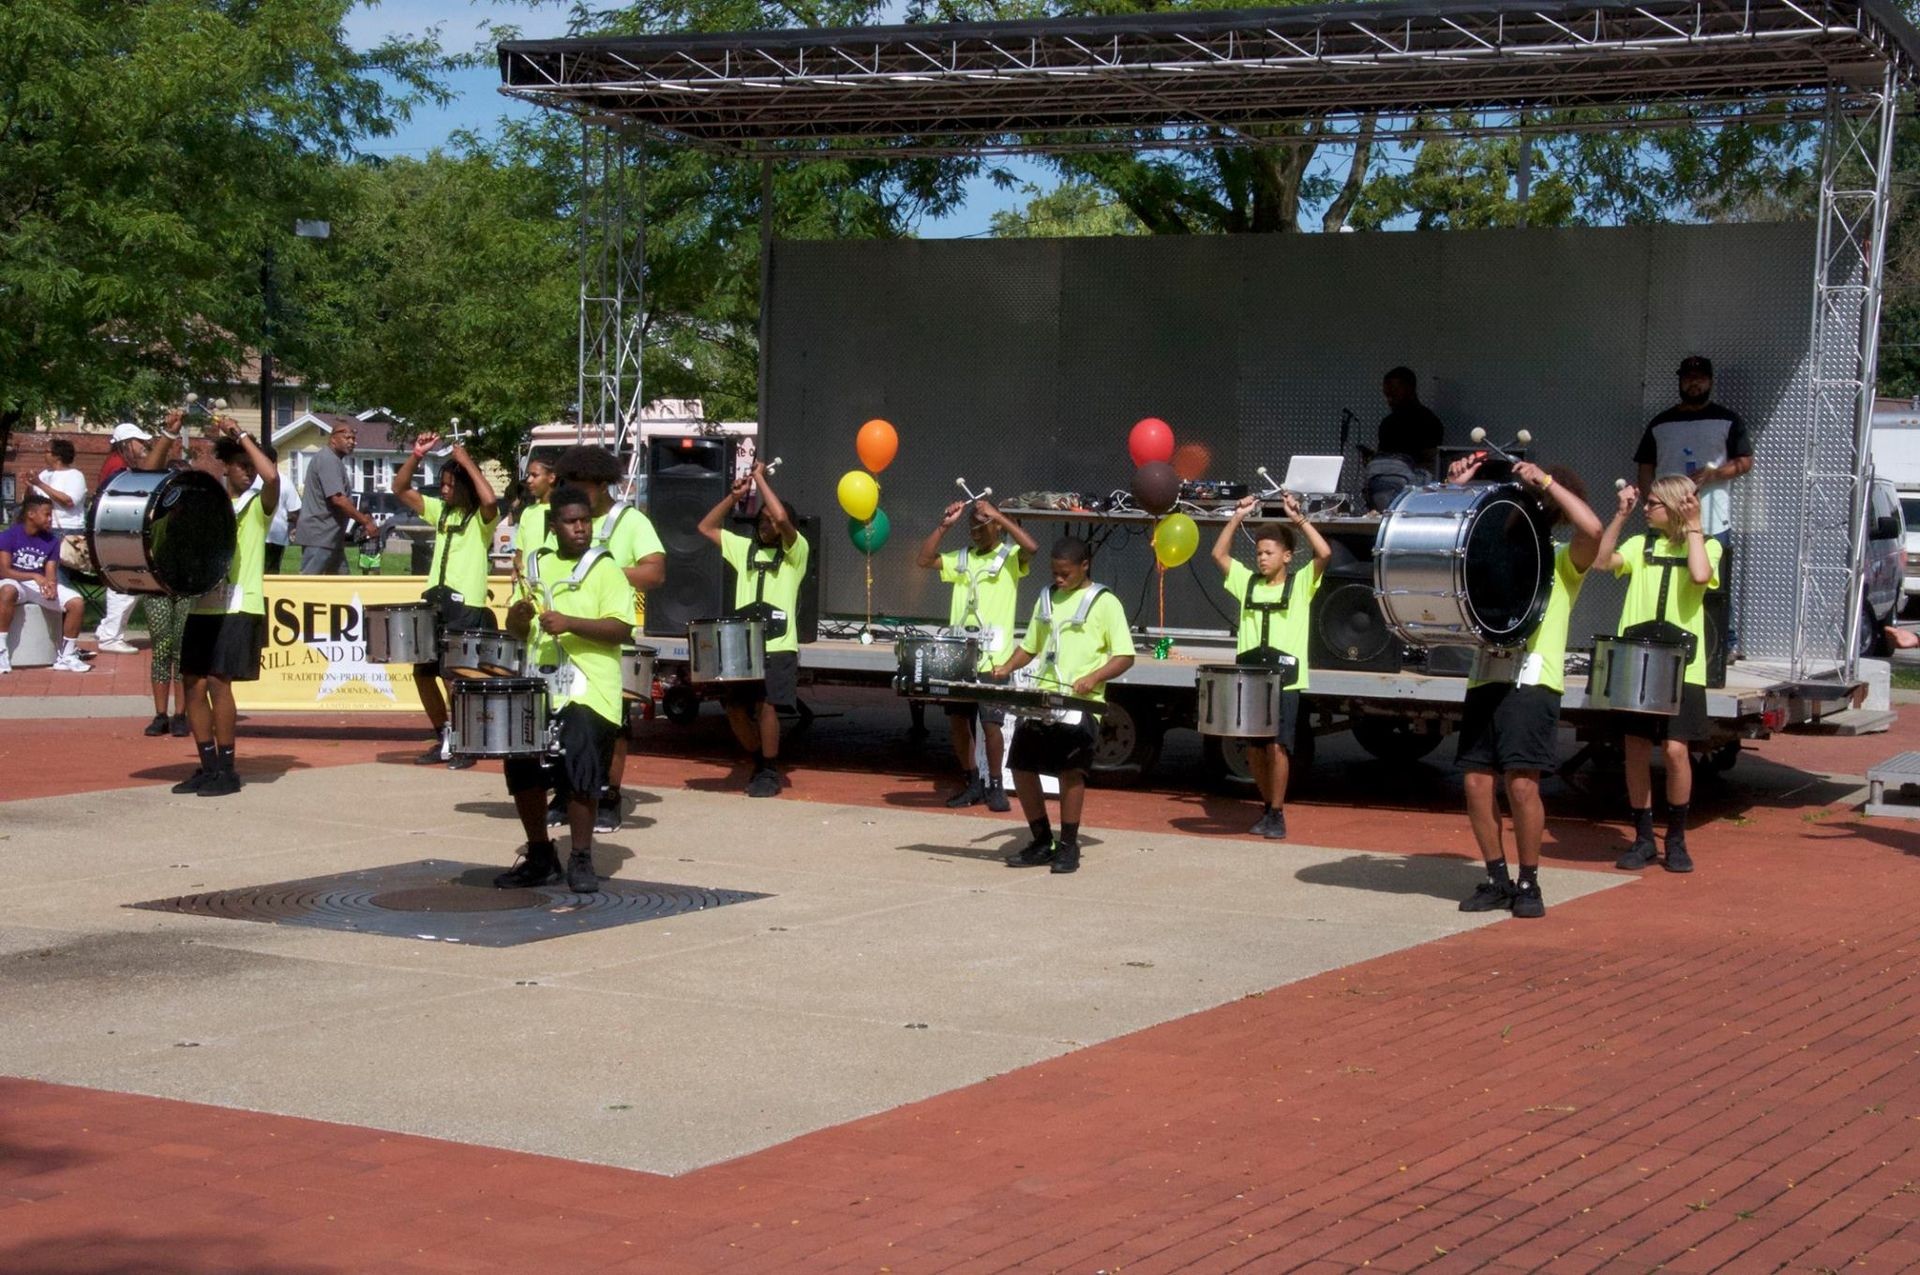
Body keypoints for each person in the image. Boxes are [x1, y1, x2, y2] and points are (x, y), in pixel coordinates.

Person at [1448, 456, 1604, 918]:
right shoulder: (1493, 552)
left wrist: (1548, 481)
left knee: (1522, 787)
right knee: (1477, 782)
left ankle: (1528, 882)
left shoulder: (1561, 560)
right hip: (1486, 675)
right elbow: (1451, 539)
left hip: (1533, 682)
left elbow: (1593, 530)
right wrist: (1457, 489)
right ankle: (1496, 878)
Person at [495, 486, 636, 895]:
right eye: (572, 522)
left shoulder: (605, 569)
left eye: (585, 520)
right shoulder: (537, 567)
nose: (581, 528)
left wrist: (571, 622)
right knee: (520, 764)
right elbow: (517, 631)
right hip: (541, 681)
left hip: (590, 688)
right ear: (553, 526)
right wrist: (519, 619)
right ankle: (540, 855)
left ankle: (580, 857)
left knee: (580, 769)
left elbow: (620, 628)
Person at [1594, 475, 1719, 874]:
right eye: (1644, 504)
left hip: (1684, 662)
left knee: (1675, 750)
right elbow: (1600, 561)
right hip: (1638, 655)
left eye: (1652, 504)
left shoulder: (1707, 543)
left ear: (1674, 506)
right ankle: (1643, 838)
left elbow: (1700, 576)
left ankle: (1676, 839)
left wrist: (1695, 526)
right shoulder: (1638, 544)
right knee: (1635, 748)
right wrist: (1619, 515)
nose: (1645, 509)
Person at [990, 537, 1136, 875]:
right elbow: (1031, 646)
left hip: (1081, 703)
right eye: (1054, 572)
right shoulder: (1045, 598)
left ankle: (1069, 847)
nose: (1058, 579)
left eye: (1065, 573)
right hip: (1043, 698)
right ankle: (1042, 840)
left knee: (1072, 773)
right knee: (1022, 767)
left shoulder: (1104, 602)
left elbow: (1124, 656)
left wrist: (1093, 677)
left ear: (1084, 565)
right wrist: (1007, 667)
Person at [549, 446, 665, 831]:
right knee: (563, 721)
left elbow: (655, 573)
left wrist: (608, 573)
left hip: (610, 634)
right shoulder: (564, 518)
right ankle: (565, 794)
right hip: (564, 643)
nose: (572, 491)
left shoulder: (629, 521)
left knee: (615, 726)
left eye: (578, 485)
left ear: (600, 485)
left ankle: (609, 796)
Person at [1209, 491, 1332, 839]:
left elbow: (1324, 553)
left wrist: (1300, 520)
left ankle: (1277, 811)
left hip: (1285, 680)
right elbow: (1218, 554)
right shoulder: (1247, 581)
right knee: (1254, 748)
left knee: (1278, 746)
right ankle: (1265, 806)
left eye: (1269, 553)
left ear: (1287, 556)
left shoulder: (1301, 583)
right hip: (1251, 679)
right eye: (1259, 553)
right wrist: (1237, 517)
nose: (1262, 559)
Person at [169, 424, 278, 798]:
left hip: (238, 603)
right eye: (240, 465)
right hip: (204, 602)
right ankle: (208, 765)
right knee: (192, 683)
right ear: (225, 468)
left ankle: (228, 770)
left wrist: (244, 436)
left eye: (251, 466)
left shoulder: (258, 506)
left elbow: (272, 476)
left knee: (219, 681)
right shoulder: (209, 504)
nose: (248, 471)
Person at [915, 496, 1038, 811]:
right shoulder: (962, 559)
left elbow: (1032, 548)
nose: (976, 533)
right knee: (958, 721)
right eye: (972, 528)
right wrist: (944, 527)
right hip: (961, 657)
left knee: (991, 723)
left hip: (993, 658)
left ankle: (995, 783)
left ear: (996, 526)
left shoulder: (1009, 557)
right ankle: (972, 781)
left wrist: (998, 514)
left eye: (982, 526)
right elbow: (924, 560)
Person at [698, 462, 807, 798]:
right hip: (744, 645)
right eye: (761, 520)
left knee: (769, 704)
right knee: (734, 708)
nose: (766, 525)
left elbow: (784, 519)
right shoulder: (744, 548)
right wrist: (734, 498)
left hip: (778, 644)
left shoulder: (796, 552)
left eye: (771, 521)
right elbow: (706, 527)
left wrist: (759, 478)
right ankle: (759, 760)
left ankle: (771, 771)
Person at [393, 434, 500, 768]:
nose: (443, 490)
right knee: (423, 674)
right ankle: (444, 735)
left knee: (456, 677)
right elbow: (400, 488)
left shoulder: (481, 521)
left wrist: (467, 461)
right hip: (435, 602)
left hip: (465, 605)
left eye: (450, 485)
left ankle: (465, 741)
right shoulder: (441, 512)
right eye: (442, 484)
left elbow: (491, 501)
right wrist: (416, 456)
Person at [1633, 355, 1751, 654]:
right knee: (1664, 577)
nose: (1694, 383)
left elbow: (1745, 462)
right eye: (1688, 378)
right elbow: (1645, 465)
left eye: (1699, 378)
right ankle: (1661, 637)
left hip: (1712, 517)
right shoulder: (1661, 423)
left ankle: (1724, 644)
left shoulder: (1728, 419)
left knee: (1714, 582)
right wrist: (1652, 501)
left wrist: (1715, 474)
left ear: (1710, 381)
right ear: (1680, 381)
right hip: (1667, 523)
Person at [138, 412, 200, 737]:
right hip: (158, 584)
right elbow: (148, 475)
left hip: (188, 585)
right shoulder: (155, 510)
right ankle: (160, 714)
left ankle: (181, 714)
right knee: (161, 646)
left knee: (183, 648)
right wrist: (167, 434)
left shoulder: (200, 512)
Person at [0, 493, 91, 674]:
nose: (51, 519)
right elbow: (4, 571)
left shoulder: (51, 540)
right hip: (13, 581)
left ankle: (66, 655)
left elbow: (50, 572)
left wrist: (50, 586)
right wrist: (35, 576)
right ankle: (1, 649)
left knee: (76, 602)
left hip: (36, 584)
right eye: (47, 514)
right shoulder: (9, 535)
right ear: (31, 514)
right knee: (8, 591)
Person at [91, 423, 153, 654]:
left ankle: (107, 629)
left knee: (127, 583)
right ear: (126, 443)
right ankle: (110, 636)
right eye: (139, 441)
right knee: (126, 583)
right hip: (118, 531)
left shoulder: (118, 464)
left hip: (116, 530)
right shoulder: (118, 466)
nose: (144, 445)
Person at [295, 419, 378, 575]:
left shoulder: (333, 460)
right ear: (333, 439)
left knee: (342, 586)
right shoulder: (328, 460)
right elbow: (338, 499)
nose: (352, 442)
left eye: (353, 439)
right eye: (347, 438)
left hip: (331, 538)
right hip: (320, 535)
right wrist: (364, 521)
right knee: (309, 583)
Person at [1360, 367, 1445, 512]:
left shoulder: (1428, 421)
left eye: (1394, 394)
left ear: (1410, 388)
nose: (1389, 400)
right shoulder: (1387, 423)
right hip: (1384, 492)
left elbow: (1432, 462)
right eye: (1387, 395)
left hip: (1415, 494)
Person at [27, 440, 89, 575]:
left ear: (58, 456)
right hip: (44, 527)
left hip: (66, 529)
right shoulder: (45, 474)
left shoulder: (75, 475)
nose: (44, 455)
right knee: (41, 569)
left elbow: (68, 501)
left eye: (47, 451)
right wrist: (29, 485)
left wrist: (40, 484)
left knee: (57, 573)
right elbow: (35, 500)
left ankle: (62, 595)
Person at [511, 456, 557, 582]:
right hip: (527, 586)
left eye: (534, 475)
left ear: (551, 478)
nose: (529, 480)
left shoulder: (562, 511)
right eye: (528, 475)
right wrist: (516, 567)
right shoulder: (528, 512)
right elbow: (520, 551)